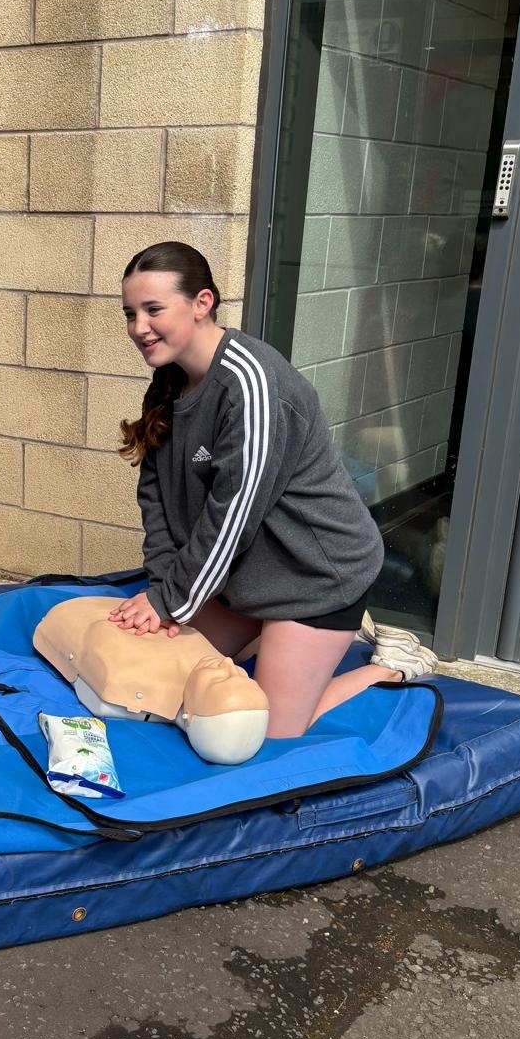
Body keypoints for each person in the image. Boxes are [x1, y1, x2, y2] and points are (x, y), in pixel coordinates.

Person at [109, 241, 436, 740]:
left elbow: (234, 513)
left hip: (314, 580)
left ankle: (386, 668)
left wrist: (171, 601)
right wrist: (162, 589)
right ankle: (268, 637)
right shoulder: (171, 381)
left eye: (154, 309)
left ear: (202, 303)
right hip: (244, 578)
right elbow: (156, 500)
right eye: (130, 313)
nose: (139, 327)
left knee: (264, 730)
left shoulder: (252, 382)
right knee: (155, 683)